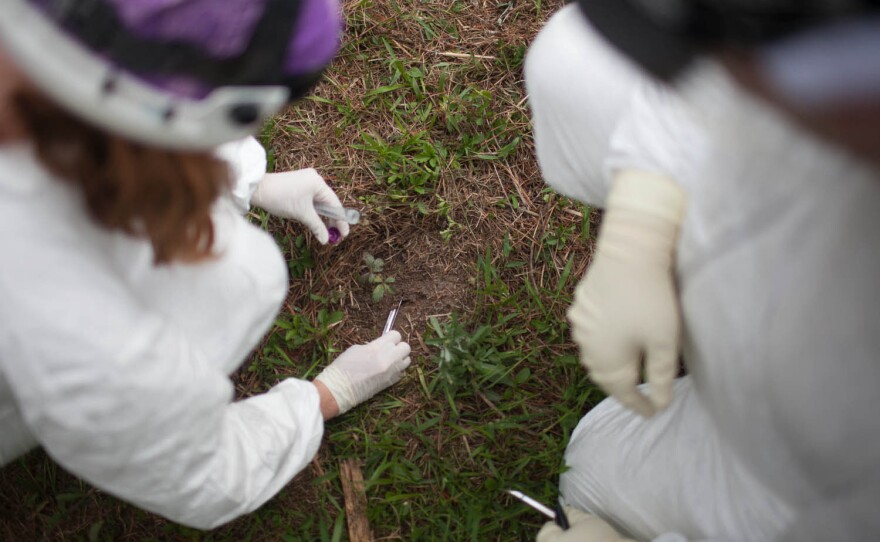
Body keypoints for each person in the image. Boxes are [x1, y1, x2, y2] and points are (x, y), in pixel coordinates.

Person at [0, 0, 411, 529]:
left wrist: (248, 180)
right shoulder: (90, 331)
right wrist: (326, 396)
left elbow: (127, 98)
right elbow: (204, 475)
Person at [524, 1, 880, 540]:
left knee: (592, 471)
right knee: (576, 64)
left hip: (800, 472)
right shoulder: (832, 68)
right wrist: (641, 224)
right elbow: (731, 67)